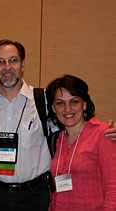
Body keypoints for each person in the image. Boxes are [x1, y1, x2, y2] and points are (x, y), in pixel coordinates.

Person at [0, 39, 116, 211]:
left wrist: (109, 130)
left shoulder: (44, 102)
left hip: (34, 196)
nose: (7, 67)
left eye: (13, 60)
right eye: (0, 62)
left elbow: (77, 124)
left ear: (22, 64)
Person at [45, 75, 116, 210]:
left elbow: (113, 190)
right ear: (53, 108)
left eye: (74, 101)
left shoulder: (103, 134)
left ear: (84, 104)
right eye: (60, 103)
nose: (67, 109)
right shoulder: (57, 139)